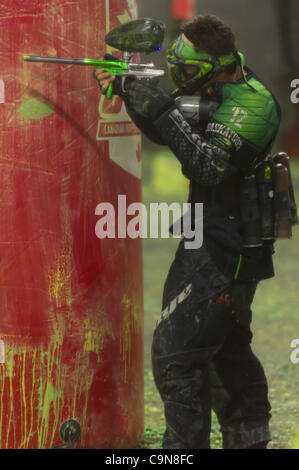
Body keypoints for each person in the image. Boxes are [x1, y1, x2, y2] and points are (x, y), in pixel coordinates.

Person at [95, 14, 281, 449]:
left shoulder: (252, 105)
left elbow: (206, 166)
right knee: (224, 353)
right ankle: (248, 440)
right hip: (211, 237)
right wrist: (129, 92)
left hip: (228, 248)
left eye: (187, 71)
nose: (180, 79)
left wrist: (156, 101)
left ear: (217, 65)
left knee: (176, 356)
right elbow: (168, 132)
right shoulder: (215, 88)